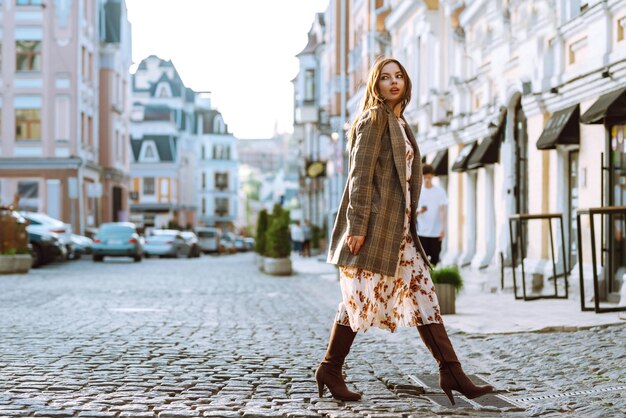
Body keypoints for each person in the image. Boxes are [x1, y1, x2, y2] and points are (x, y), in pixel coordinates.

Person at [319, 57, 493, 403]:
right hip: (378, 229)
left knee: (426, 297)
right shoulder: (373, 120)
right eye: (385, 78)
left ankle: (452, 371)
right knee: (358, 299)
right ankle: (330, 368)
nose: (394, 82)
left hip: (402, 234)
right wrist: (356, 226)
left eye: (399, 76)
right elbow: (359, 176)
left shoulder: (400, 122)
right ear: (376, 85)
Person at [416, 163, 448, 266]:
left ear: (432, 177)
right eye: (425, 177)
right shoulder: (418, 192)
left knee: (435, 259)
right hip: (421, 232)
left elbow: (443, 210)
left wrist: (443, 228)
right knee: (421, 260)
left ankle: (433, 280)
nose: (427, 180)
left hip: (435, 232)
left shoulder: (440, 192)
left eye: (429, 177)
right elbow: (412, 213)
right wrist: (419, 211)